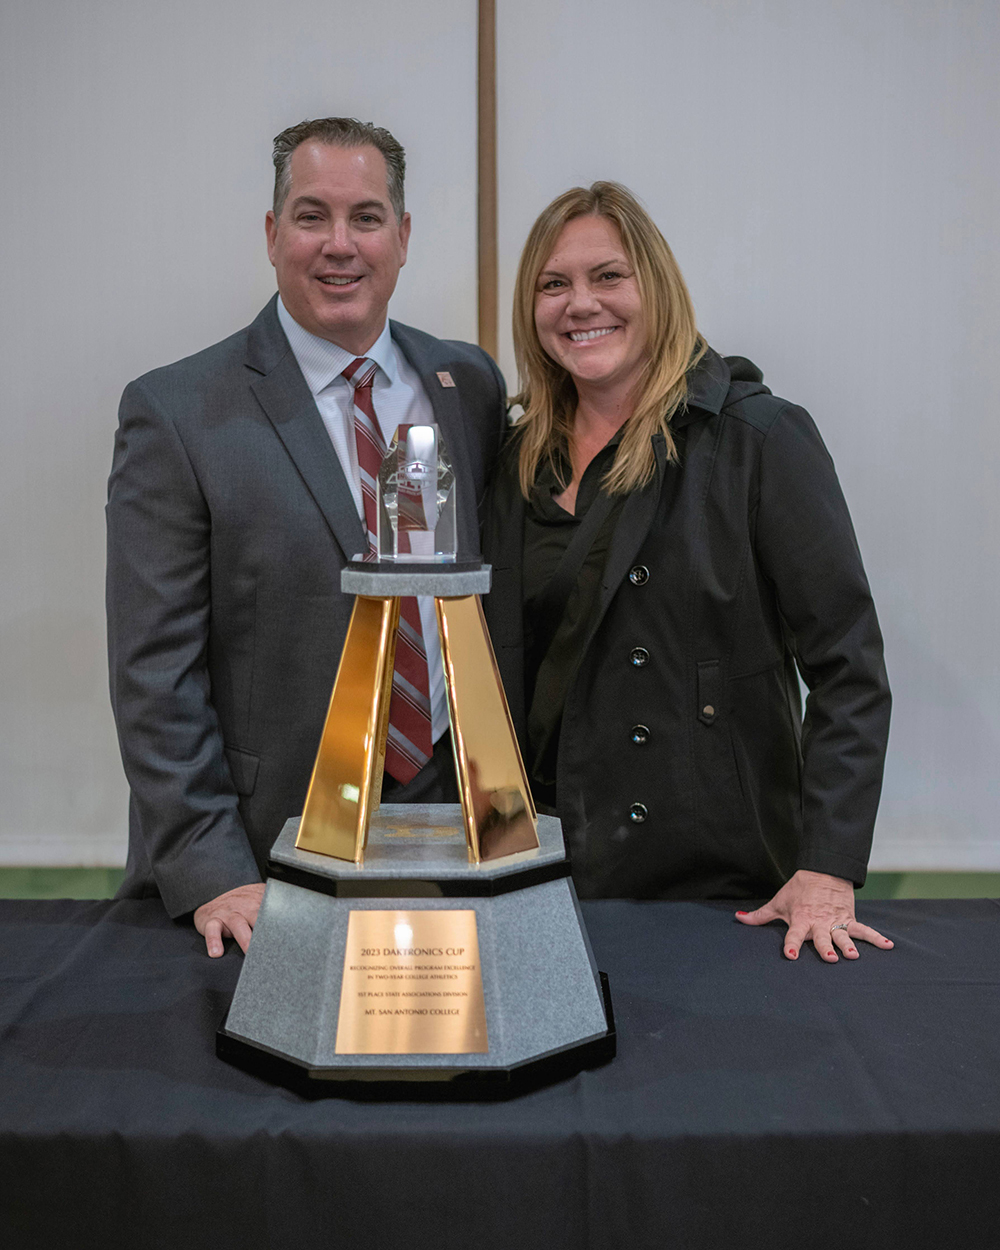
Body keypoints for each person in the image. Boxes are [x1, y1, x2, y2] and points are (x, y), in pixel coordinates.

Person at [107, 118, 507, 956]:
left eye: (365, 217)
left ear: (403, 237)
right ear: (270, 234)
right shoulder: (178, 412)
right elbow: (154, 672)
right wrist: (212, 865)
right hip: (257, 865)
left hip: (449, 836)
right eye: (310, 215)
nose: (339, 245)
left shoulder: (465, 384)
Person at [482, 181, 893, 963]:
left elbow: (849, 669)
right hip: (537, 870)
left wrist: (828, 869)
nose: (580, 303)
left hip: (721, 882)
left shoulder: (756, 439)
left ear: (657, 289)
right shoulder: (513, 458)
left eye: (609, 276)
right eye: (553, 284)